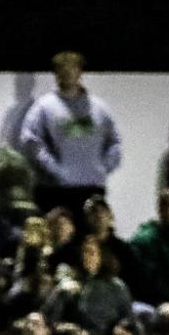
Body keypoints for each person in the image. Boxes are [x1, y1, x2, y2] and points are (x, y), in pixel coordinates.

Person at [18, 50, 122, 217]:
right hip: (55, 190)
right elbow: (30, 141)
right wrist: (54, 169)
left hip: (92, 188)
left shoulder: (99, 108)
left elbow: (115, 142)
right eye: (62, 69)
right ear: (56, 73)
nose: (67, 73)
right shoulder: (44, 107)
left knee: (89, 241)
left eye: (72, 68)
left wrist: (103, 168)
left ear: (80, 72)